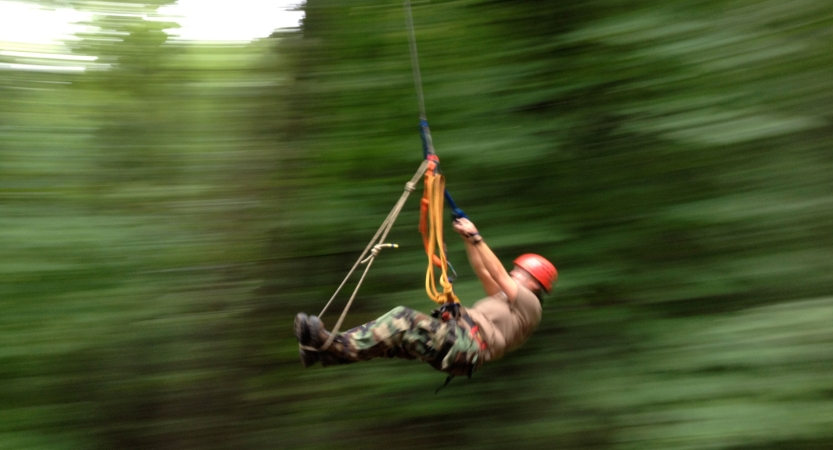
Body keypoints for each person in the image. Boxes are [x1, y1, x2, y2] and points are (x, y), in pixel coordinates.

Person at [293, 217, 557, 378]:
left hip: (466, 348)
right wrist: (467, 240)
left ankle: (332, 346)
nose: (513, 273)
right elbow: (485, 271)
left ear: (535, 283)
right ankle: (323, 352)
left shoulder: (530, 305)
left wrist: (477, 237)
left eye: (520, 272)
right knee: (393, 340)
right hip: (457, 343)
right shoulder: (507, 302)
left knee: (403, 319)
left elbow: (499, 274)